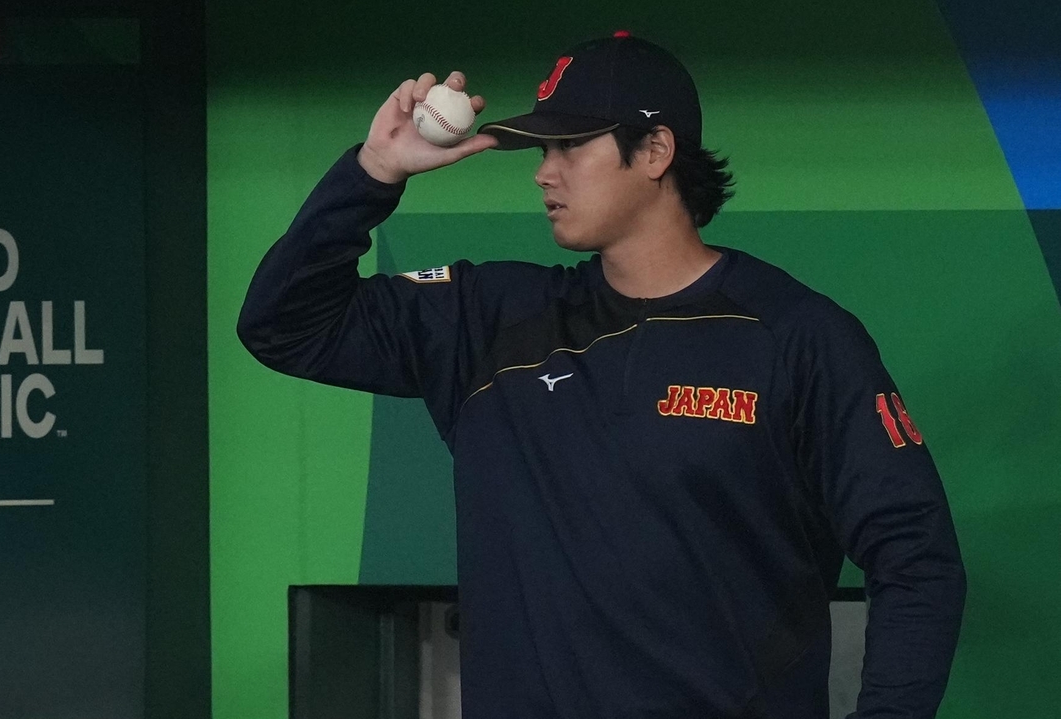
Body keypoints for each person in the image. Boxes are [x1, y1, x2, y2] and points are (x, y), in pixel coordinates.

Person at [238, 32, 966, 719]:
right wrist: (373, 171)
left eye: (571, 145)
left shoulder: (796, 336)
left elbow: (916, 556)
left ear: (654, 151)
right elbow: (282, 324)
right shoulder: (489, 320)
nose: (543, 171)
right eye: (542, 148)